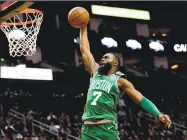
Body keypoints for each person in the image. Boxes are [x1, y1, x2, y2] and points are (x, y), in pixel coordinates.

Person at [79, 26, 171, 140]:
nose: (102, 59)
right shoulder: (95, 72)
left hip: (106, 128)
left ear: (114, 64)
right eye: (102, 58)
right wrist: (83, 28)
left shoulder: (120, 81)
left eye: (106, 58)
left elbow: (140, 99)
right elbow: (84, 49)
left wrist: (158, 114)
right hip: (88, 129)